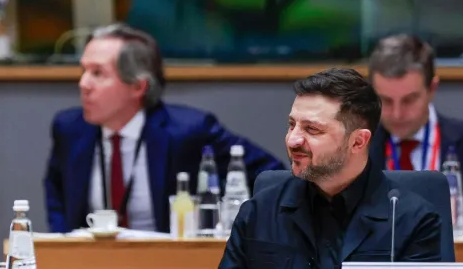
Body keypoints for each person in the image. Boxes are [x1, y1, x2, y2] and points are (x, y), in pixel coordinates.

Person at [200, 68, 441, 269]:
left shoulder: (413, 220)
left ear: (358, 141)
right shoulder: (259, 211)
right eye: (291, 125)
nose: (293, 140)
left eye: (312, 129)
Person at [44, 23, 284, 234]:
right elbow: (55, 189)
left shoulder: (189, 131)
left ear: (138, 86)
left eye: (97, 73)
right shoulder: (70, 130)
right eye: (83, 71)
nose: (83, 84)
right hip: (92, 266)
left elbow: (270, 175)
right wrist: (63, 240)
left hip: (170, 266)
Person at [367, 35, 463, 238]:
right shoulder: (357, 148)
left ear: (432, 89)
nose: (397, 114)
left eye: (409, 100)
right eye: (386, 101)